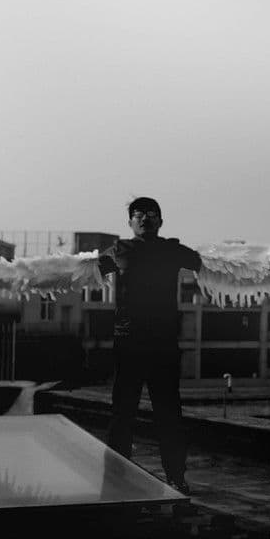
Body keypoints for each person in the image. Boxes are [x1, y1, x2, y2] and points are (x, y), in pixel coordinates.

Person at [98, 196, 201, 494]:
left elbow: (202, 262)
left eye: (152, 214)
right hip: (129, 341)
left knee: (169, 413)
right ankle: (115, 476)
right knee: (122, 413)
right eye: (139, 214)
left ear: (161, 221)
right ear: (130, 222)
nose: (145, 218)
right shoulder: (118, 250)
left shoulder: (172, 249)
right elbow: (85, 269)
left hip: (163, 342)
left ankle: (176, 477)